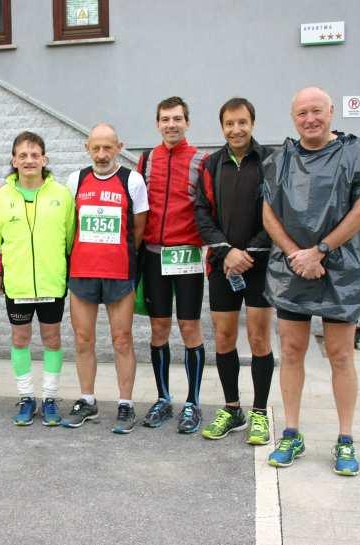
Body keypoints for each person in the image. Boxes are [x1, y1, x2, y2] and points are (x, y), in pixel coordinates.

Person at [263, 87, 360, 476]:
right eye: (301, 113)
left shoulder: (355, 154)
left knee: (341, 356)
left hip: (338, 270)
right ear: (292, 118)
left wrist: (320, 251)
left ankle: (346, 439)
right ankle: (291, 433)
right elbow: (268, 215)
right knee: (292, 352)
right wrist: (299, 255)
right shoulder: (280, 161)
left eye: (316, 111)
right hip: (292, 269)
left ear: (331, 111)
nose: (309, 119)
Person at [194, 98, 275, 445]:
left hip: (258, 266)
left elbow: (278, 213)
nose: (236, 129)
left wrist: (247, 252)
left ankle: (259, 413)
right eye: (229, 123)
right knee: (224, 338)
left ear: (252, 123)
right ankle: (232, 409)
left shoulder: (270, 161)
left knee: (258, 339)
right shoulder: (211, 164)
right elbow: (201, 212)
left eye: (242, 122)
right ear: (222, 126)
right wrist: (226, 253)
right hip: (222, 266)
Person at [61, 124, 148, 434]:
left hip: (119, 273)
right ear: (87, 147)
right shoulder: (76, 180)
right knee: (83, 339)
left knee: (122, 339)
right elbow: (68, 225)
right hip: (82, 271)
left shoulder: (132, 180)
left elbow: (138, 230)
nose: (101, 154)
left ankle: (125, 404)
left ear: (118, 146)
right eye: (96, 148)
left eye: (107, 148)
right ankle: (87, 400)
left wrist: (117, 257)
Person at [0, 131, 76, 426]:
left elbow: (68, 240)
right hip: (19, 284)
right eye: (22, 155)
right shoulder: (1, 197)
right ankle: (26, 397)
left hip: (52, 282)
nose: (29, 160)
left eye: (34, 155)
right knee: (20, 338)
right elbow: (1, 240)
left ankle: (50, 398)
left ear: (45, 159)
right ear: (14, 160)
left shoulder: (62, 195)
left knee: (52, 339)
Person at [137, 96, 209, 434]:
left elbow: (210, 209)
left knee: (190, 329)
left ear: (187, 122)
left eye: (177, 119)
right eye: (165, 119)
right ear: (157, 123)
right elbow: (137, 207)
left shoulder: (200, 160)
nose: (171, 124)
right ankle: (164, 398)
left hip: (187, 256)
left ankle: (193, 403)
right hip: (153, 255)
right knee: (159, 329)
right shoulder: (147, 159)